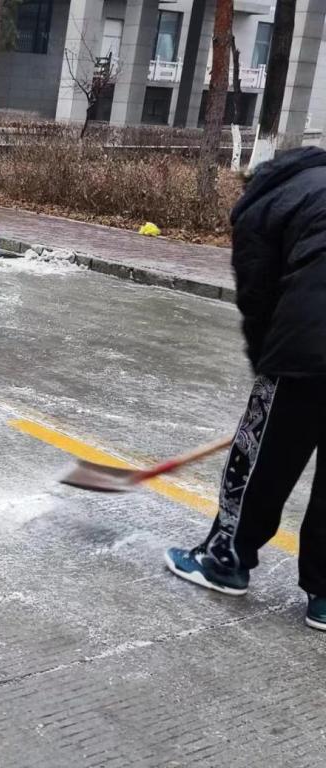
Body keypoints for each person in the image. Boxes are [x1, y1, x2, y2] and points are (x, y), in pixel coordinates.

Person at [165, 146, 326, 631]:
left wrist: (266, 369)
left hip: (308, 347)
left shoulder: (262, 205)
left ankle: (225, 559)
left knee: (262, 458)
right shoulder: (313, 189)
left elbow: (257, 298)